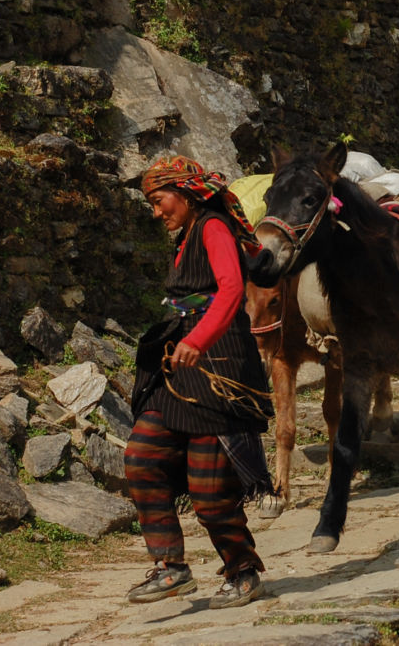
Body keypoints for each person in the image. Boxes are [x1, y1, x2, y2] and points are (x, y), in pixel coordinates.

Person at [124, 156, 275, 610]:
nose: (156, 212)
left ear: (186, 193)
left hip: (218, 365)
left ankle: (243, 572)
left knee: (210, 492)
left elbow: (230, 290)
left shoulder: (212, 226)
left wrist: (200, 338)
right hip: (179, 365)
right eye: (151, 204)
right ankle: (170, 567)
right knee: (142, 457)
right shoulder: (188, 233)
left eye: (159, 200)